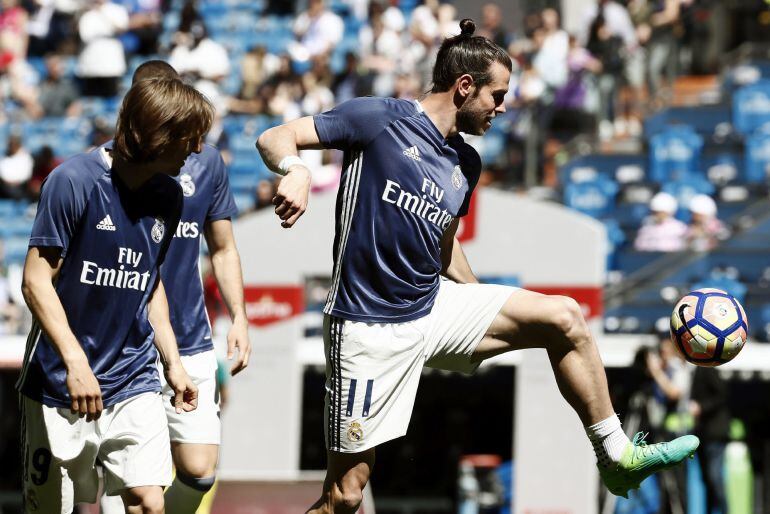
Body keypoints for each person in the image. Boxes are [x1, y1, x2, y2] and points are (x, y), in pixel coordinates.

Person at [257, 19, 699, 512]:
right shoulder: (379, 118)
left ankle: (616, 455)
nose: (503, 107)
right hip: (367, 326)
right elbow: (276, 136)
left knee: (565, 317)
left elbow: (442, 240)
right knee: (345, 497)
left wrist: (479, 299)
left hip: (433, 307)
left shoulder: (465, 162)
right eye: (498, 94)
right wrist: (295, 170)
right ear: (465, 86)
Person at [17, 76, 208, 513]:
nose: (197, 149)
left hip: (132, 377)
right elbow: (35, 282)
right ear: (159, 135)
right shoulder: (73, 181)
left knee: (148, 503)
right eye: (190, 138)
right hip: (59, 383)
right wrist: (76, 364)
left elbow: (149, 281)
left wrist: (173, 363)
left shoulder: (170, 194)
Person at [98, 60, 251, 514]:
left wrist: (239, 316)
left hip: (190, 335)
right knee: (131, 481)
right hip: (128, 343)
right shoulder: (106, 167)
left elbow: (222, 248)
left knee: (200, 470)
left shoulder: (204, 164)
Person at [690, 366, 730, 514]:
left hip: (715, 434)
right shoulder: (695, 369)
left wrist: (701, 407)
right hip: (702, 436)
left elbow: (722, 394)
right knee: (707, 479)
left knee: (715, 477)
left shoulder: (707, 368)